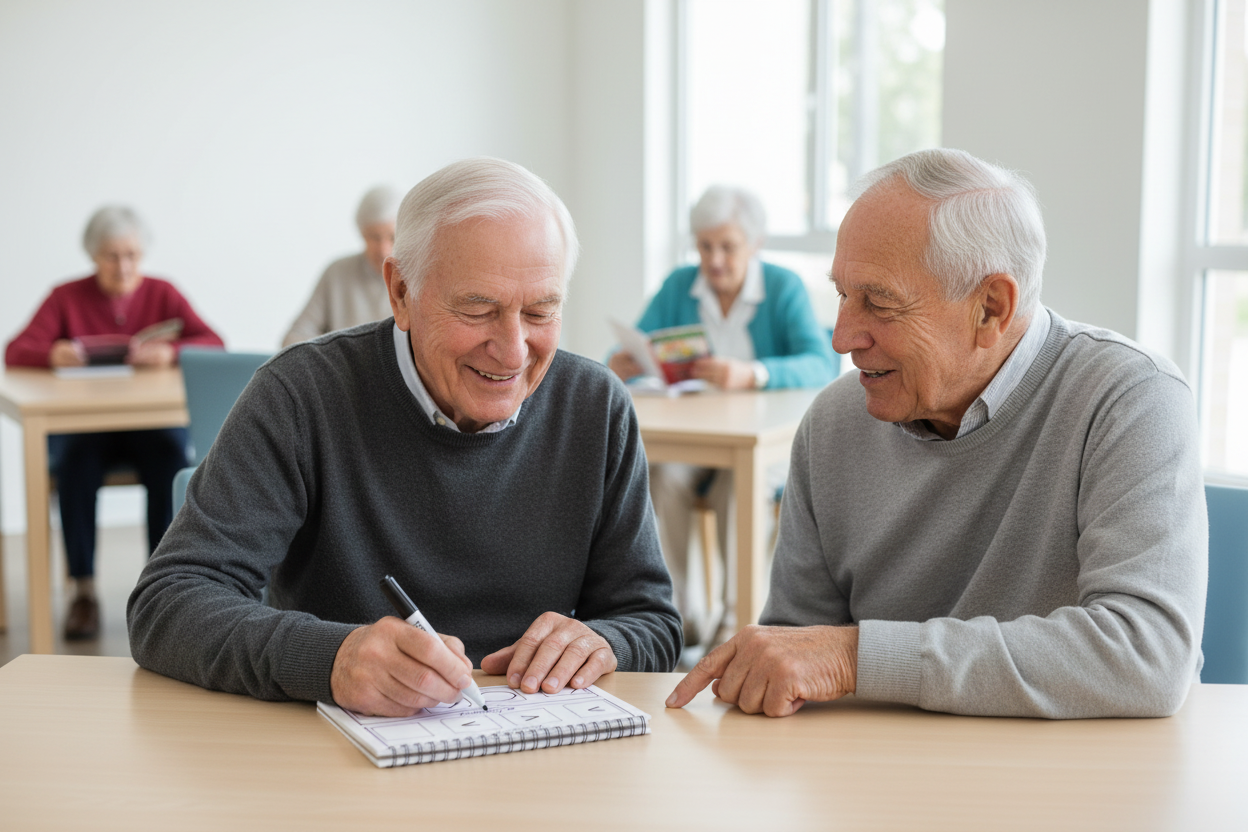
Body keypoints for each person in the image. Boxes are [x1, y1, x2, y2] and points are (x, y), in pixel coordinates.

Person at [666, 148, 1207, 719]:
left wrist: (857, 658)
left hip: (1071, 785)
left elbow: (1148, 655)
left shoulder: (1130, 400)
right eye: (843, 295)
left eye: (879, 302)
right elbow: (793, 658)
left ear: (991, 308)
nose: (843, 337)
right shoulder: (832, 424)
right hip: (874, 784)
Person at [128, 158, 681, 716]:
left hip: (540, 748)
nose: (514, 351)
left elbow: (651, 619)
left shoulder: (597, 405)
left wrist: (608, 642)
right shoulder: (300, 394)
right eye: (478, 308)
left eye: (541, 311)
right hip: (340, 759)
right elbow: (168, 604)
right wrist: (333, 658)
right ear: (400, 292)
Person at [608, 185, 836, 649]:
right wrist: (623, 360)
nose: (714, 261)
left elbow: (822, 362)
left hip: (760, 444)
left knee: (740, 489)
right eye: (705, 246)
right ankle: (678, 616)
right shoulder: (679, 285)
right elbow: (625, 348)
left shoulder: (782, 287)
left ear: (754, 244)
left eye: (727, 247)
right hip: (698, 438)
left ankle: (736, 627)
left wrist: (752, 373)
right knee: (661, 476)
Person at [4, 205, 224, 640]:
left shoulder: (162, 292)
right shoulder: (65, 296)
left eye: (131, 255)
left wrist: (170, 352)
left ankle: (165, 588)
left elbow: (212, 341)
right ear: (93, 255)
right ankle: (83, 592)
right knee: (74, 468)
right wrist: (52, 354)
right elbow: (15, 350)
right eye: (111, 256)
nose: (123, 266)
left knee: (170, 462)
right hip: (88, 428)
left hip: (150, 428)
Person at [281, 185, 401, 347]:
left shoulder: (416, 278)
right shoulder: (336, 273)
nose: (383, 249)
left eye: (392, 237)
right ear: (362, 234)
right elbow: (295, 337)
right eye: (374, 237)